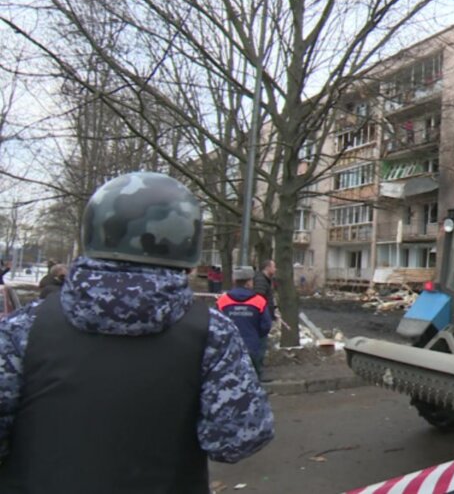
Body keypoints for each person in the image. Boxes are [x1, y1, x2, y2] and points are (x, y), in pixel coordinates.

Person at [0, 171, 274, 492]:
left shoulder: (23, 327)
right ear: (186, 242)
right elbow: (240, 438)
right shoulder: (213, 334)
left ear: (95, 231)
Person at [217, 267, 272, 376]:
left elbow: (217, 324)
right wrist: (256, 335)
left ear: (234, 281)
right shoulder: (259, 301)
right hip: (252, 346)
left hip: (229, 348)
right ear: (249, 282)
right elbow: (266, 325)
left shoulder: (222, 301)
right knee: (253, 378)